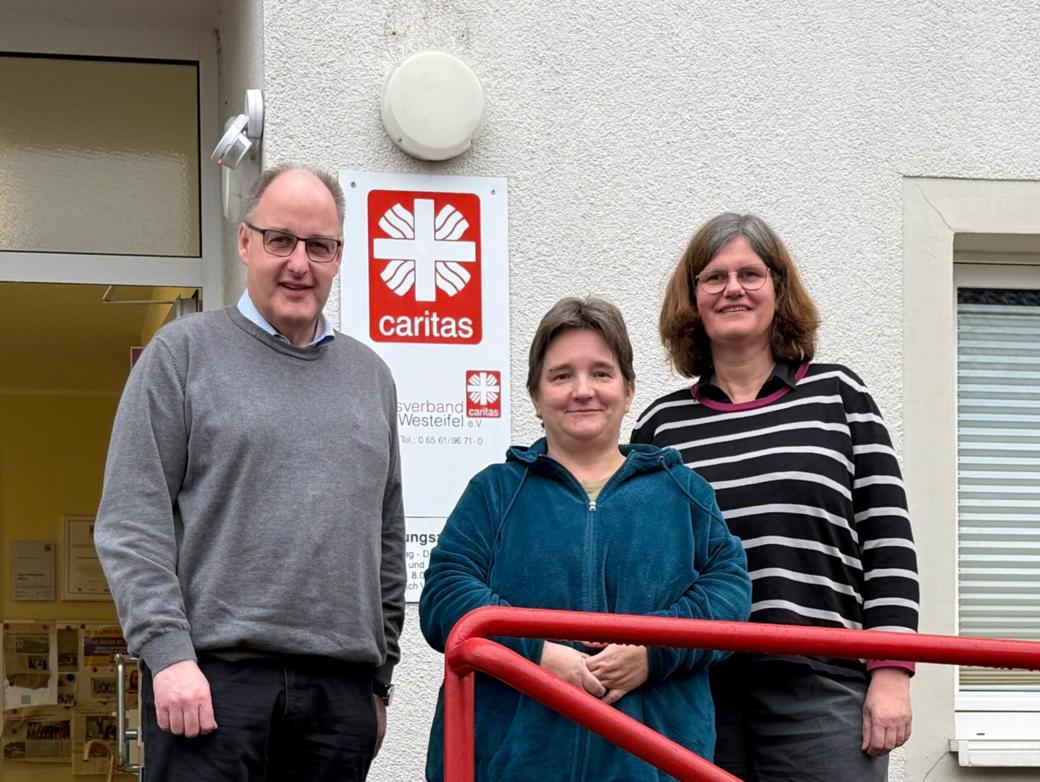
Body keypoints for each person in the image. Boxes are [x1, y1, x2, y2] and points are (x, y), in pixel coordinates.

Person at [95, 164, 405, 781]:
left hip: (338, 698)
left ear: (339, 256)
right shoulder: (181, 357)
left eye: (320, 246)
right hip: (210, 688)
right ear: (244, 242)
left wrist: (379, 679)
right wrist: (169, 657)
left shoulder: (371, 378)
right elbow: (133, 523)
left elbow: (385, 535)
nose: (299, 263)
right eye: (280, 240)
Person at [632, 212, 919, 781]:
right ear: (692, 300)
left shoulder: (840, 394)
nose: (732, 288)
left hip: (820, 684)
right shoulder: (660, 427)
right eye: (713, 277)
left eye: (750, 274)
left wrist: (892, 673)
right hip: (699, 686)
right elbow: (643, 561)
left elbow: (887, 542)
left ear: (779, 290)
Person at [420, 296, 751, 781]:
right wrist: (536, 657)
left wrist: (652, 652)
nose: (583, 391)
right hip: (509, 767)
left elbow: (729, 593)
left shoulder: (683, 490)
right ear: (535, 396)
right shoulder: (494, 492)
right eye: (561, 376)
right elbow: (447, 594)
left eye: (601, 372)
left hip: (654, 765)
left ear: (629, 388)